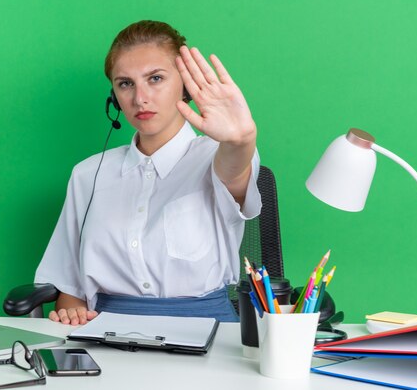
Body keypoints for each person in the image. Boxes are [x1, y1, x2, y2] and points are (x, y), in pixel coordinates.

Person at [35, 20, 260, 325]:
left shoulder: (214, 155)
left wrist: (241, 140)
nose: (139, 98)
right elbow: (69, 285)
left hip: (207, 331)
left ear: (185, 85)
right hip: (107, 333)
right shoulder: (88, 175)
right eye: (125, 83)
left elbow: (234, 168)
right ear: (114, 97)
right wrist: (71, 309)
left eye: (155, 78)